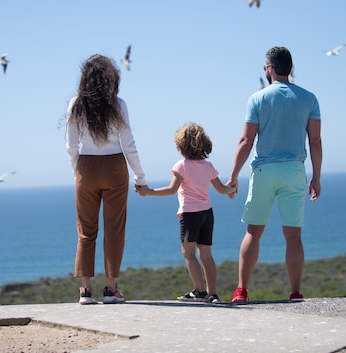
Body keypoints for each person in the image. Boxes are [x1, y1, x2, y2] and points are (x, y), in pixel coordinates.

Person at [227, 46, 322, 303]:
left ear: (269, 68)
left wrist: (233, 175)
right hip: (294, 171)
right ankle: (295, 292)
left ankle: (241, 291)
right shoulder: (309, 99)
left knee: (253, 232)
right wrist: (317, 177)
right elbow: (315, 141)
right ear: (289, 68)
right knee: (293, 236)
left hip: (264, 171)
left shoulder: (257, 99)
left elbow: (246, 141)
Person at [65, 54, 148, 305]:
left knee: (86, 231)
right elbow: (129, 144)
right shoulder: (118, 104)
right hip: (115, 167)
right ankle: (111, 289)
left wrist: (77, 172)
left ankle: (85, 290)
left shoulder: (76, 104)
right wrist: (140, 176)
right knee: (114, 230)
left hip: (86, 167)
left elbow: (71, 146)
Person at [136, 122, 235, 303]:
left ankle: (199, 291)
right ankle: (213, 294)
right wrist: (232, 190)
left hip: (190, 214)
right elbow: (222, 189)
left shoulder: (181, 165)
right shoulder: (209, 166)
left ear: (182, 146)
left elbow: (171, 190)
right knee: (206, 254)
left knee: (188, 253)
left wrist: (147, 192)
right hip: (207, 213)